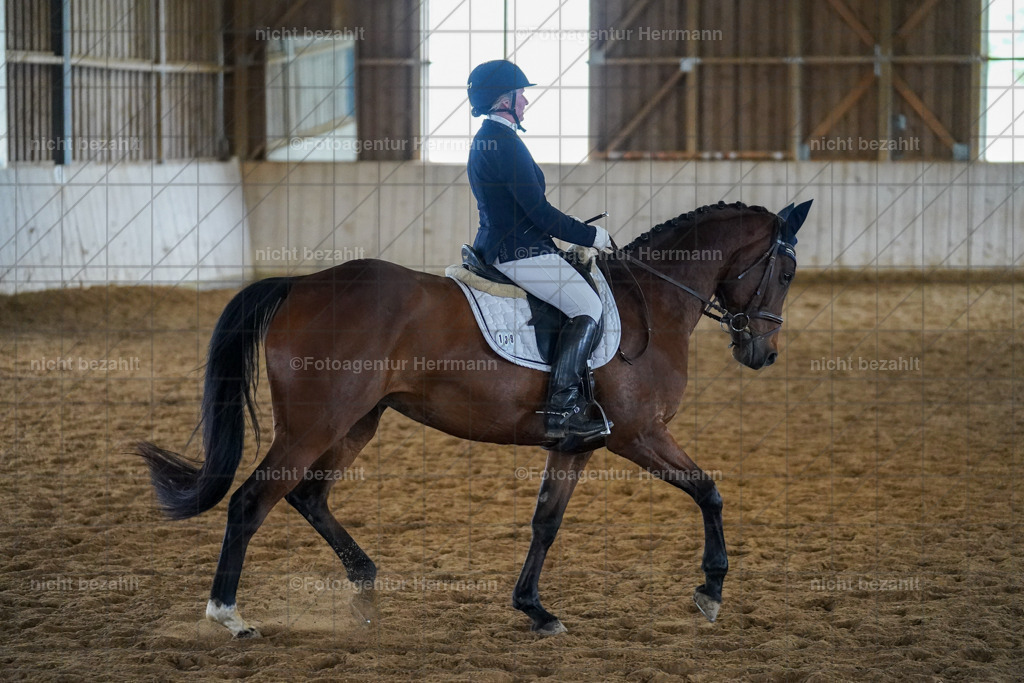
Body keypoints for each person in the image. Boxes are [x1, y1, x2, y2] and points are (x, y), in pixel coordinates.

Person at [466, 59, 612, 443]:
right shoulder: (503, 143)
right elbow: (540, 213)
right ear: (503, 100)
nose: (526, 100)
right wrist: (591, 235)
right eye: (520, 94)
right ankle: (563, 407)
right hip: (518, 251)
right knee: (589, 307)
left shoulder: (490, 138)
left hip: (514, 243)